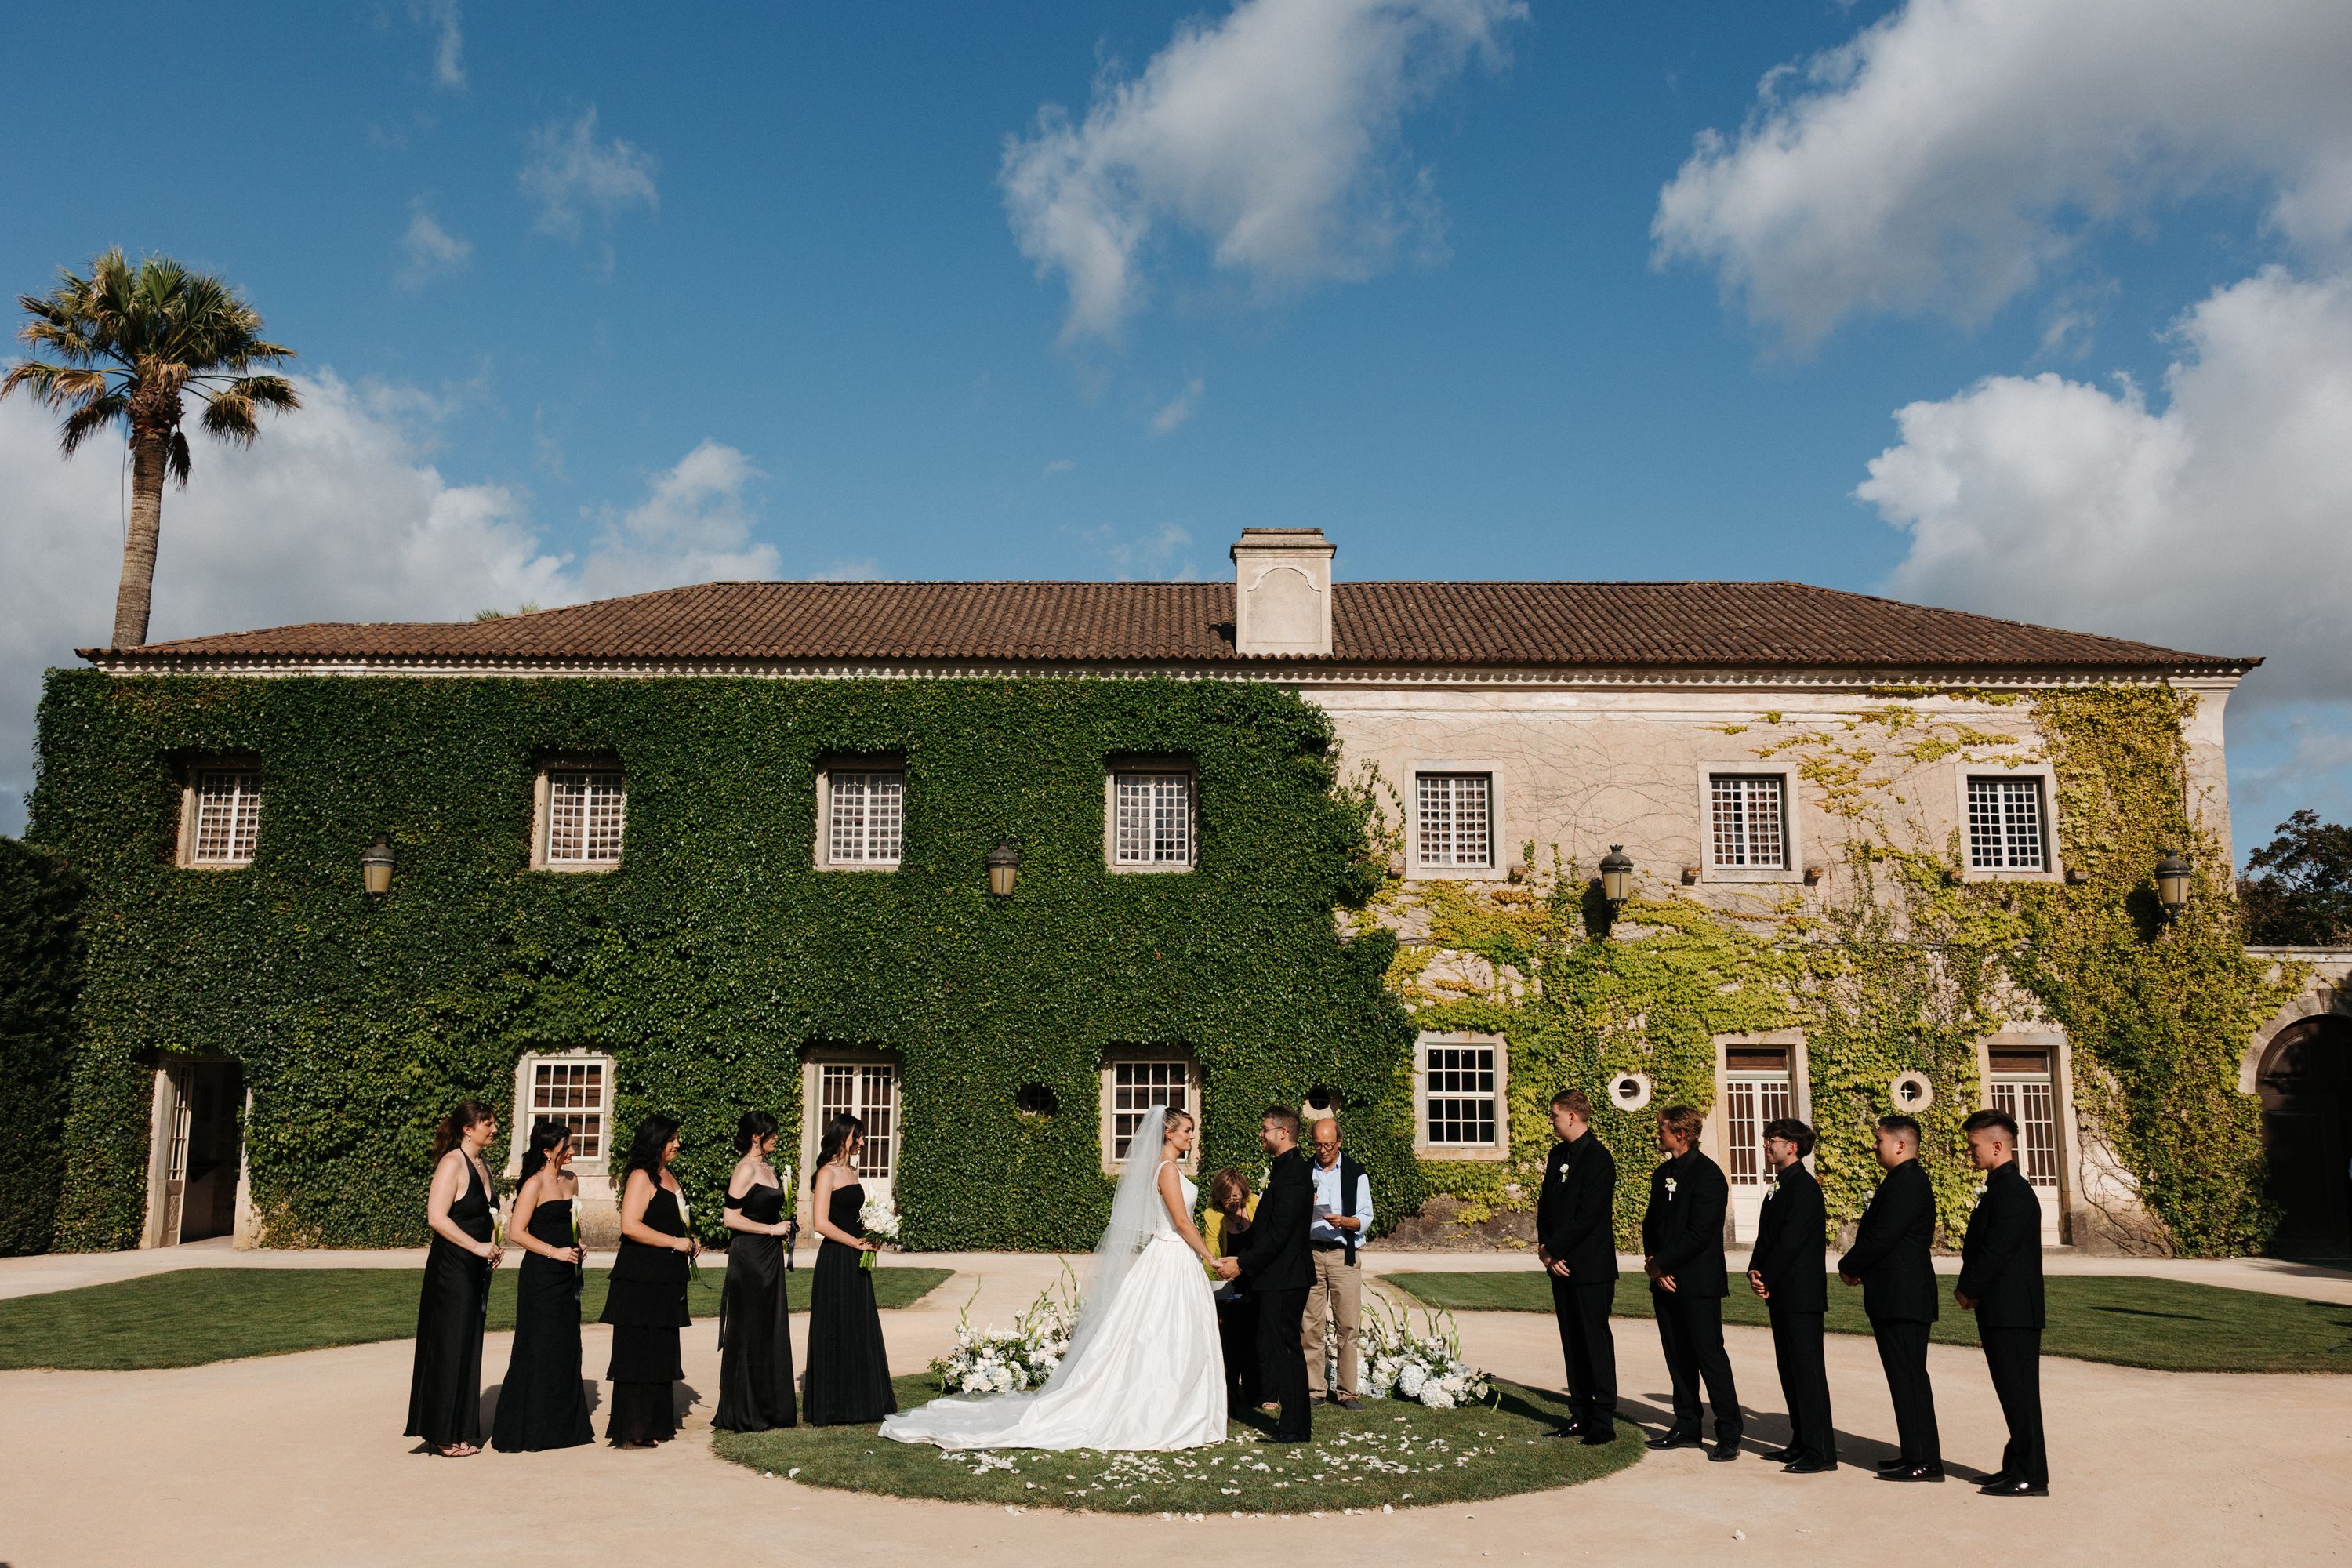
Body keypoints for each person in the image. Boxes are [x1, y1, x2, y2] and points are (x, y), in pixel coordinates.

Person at [883, 1105, 1226, 1450]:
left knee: (1168, 1331)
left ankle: (1174, 1403)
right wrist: (1210, 1256)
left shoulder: (1167, 1168)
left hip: (1174, 1257)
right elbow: (1181, 1223)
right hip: (1170, 1255)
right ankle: (1161, 1407)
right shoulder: (1166, 1169)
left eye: (1191, 1131)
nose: (1192, 1136)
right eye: (1186, 1131)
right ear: (1168, 1133)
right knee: (1160, 1331)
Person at [1838, 1112, 1943, 1482]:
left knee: (1909, 1377)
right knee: (1903, 1377)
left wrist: (1848, 1265)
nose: (1874, 1145)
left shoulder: (1908, 1182)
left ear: (1901, 1145)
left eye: (1879, 1139)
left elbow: (1882, 1237)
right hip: (1895, 1294)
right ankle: (1914, 1452)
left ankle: (1925, 1461)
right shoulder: (1899, 1180)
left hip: (1904, 1296)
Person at [1641, 1104, 1742, 1459]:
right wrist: (1655, 1264)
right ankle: (1686, 1424)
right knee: (1677, 1355)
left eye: (1663, 1129)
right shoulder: (1662, 1173)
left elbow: (1701, 1234)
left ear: (1682, 1134)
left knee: (1708, 1356)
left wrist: (1663, 1264)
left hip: (1698, 1282)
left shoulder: (1709, 1176)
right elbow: (1651, 1224)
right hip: (1664, 1280)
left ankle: (1729, 1432)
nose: (1658, 1134)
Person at [1956, 1108, 2049, 1497]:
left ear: (1997, 1145)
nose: (1970, 1153)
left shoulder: (2012, 1191)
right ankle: (2015, 1464)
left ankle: (2031, 1475)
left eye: (1974, 1146)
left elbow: (1996, 1250)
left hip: (2012, 1310)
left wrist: (1969, 1288)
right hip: (2002, 1308)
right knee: (2012, 1391)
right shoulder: (1999, 1186)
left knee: (2020, 1393)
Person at [405, 1099, 503, 1457]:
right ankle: (441, 1433)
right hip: (451, 1268)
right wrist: (477, 1247)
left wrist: (491, 1245)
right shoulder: (452, 1163)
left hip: (474, 1265)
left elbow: (486, 1213)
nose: (493, 1129)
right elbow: (437, 1217)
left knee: (468, 1343)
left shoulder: (483, 1163)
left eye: (493, 1123)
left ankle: (458, 1428)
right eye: (487, 1124)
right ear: (468, 1128)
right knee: (449, 1344)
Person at [489, 1118, 592, 1451]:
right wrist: (554, 1253)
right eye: (566, 1148)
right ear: (548, 1152)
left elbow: (571, 1225)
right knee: (538, 1346)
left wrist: (579, 1245)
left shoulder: (572, 1181)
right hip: (540, 1276)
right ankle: (530, 1427)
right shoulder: (533, 1184)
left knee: (566, 1346)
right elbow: (517, 1233)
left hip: (567, 1275)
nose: (573, 1152)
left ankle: (562, 1427)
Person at [1218, 1105, 1316, 1442]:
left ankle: (1295, 1428)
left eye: (1265, 1129)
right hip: (1278, 1276)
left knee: (1285, 1350)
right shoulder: (1284, 1171)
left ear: (1283, 1133)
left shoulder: (1294, 1174)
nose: (1261, 1134)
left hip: (1286, 1277)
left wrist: (1241, 1264)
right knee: (1281, 1348)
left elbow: (1280, 1234)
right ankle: (1294, 1424)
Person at [1746, 1116, 1836, 1473]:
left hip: (1801, 1294)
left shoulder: (1804, 1188)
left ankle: (1821, 1451)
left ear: (1792, 1147)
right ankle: (1800, 1441)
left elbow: (1791, 1241)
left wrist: (1767, 1274)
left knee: (1808, 1371)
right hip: (1781, 1291)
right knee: (1790, 1370)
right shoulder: (1780, 1186)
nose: (1766, 1144)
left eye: (1773, 1139)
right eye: (1767, 1139)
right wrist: (1756, 1269)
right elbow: (1767, 1236)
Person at [600, 1113, 696, 1447]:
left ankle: (655, 1424)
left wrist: (689, 1241)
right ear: (656, 1141)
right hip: (640, 1280)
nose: (677, 1144)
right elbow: (630, 1226)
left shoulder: (668, 1175)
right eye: (672, 1139)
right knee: (638, 1352)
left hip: (666, 1280)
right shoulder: (641, 1176)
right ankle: (634, 1430)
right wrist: (674, 1242)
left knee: (659, 1351)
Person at [1534, 1088, 1618, 1445]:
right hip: (1559, 1264)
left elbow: (1589, 1215)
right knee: (1571, 1340)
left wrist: (1554, 1248)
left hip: (1590, 1265)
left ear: (1572, 1115)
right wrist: (1546, 1251)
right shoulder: (1557, 1155)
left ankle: (1603, 1420)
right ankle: (1579, 1413)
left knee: (1594, 1341)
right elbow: (1546, 1206)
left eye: (1554, 1115)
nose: (1551, 1121)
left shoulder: (1599, 1158)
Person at [801, 1113, 897, 1425]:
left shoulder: (853, 1172)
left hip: (857, 1258)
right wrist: (855, 1243)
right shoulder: (826, 1173)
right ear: (844, 1137)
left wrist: (872, 1235)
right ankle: (834, 1406)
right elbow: (820, 1223)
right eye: (859, 1137)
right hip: (836, 1259)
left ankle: (862, 1401)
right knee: (836, 1326)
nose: (863, 1143)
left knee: (858, 1325)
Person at [714, 1110, 798, 1433]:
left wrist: (784, 1228)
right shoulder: (745, 1168)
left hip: (769, 1256)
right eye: (772, 1133)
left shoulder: (771, 1168)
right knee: (749, 1326)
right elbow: (730, 1219)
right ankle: (745, 1409)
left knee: (770, 1326)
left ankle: (771, 1405)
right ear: (756, 1137)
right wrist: (770, 1229)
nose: (776, 1137)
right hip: (749, 1256)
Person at [1302, 1116, 1373, 1410]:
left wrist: (1345, 1221)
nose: (1322, 1150)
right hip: (1312, 1253)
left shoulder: (1356, 1173)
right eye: (1318, 1144)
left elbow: (1366, 1218)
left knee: (1347, 1326)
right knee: (1310, 1325)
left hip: (1344, 1254)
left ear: (1339, 1142)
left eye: (1328, 1144)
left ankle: (1347, 1391)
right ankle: (1314, 1389)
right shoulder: (1304, 1171)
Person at [1205, 1167, 1261, 1417]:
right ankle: (1230, 1393)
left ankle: (1258, 1391)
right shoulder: (1212, 1215)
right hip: (1228, 1281)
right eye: (1226, 1197)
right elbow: (1212, 1253)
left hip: (1256, 1277)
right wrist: (1223, 1270)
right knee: (1231, 1340)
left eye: (1236, 1196)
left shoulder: (1257, 1204)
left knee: (1256, 1338)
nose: (1232, 1201)